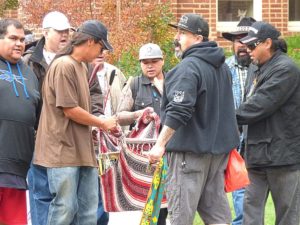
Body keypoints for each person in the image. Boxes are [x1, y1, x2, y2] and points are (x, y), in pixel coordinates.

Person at [148, 13, 240, 225]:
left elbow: (179, 110)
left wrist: (159, 145)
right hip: (216, 156)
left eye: (182, 33)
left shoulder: (188, 67)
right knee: (218, 216)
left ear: (198, 38)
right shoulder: (222, 67)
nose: (176, 38)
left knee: (180, 216)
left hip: (188, 156)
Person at [33, 20, 118, 225]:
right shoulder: (64, 65)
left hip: (82, 151)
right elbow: (69, 110)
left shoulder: (83, 67)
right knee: (65, 208)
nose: (101, 52)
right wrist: (102, 123)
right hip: (62, 151)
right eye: (100, 46)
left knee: (88, 211)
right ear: (90, 41)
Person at [236, 21, 300, 225]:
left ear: (268, 43)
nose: (248, 50)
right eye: (247, 45)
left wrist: (223, 118)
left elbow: (259, 105)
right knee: (250, 214)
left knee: (288, 216)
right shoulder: (258, 69)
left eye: (253, 45)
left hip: (282, 158)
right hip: (256, 155)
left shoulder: (286, 69)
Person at [23, 11, 71, 225]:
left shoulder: (75, 59)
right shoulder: (28, 62)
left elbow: (93, 92)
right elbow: (25, 100)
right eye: (59, 31)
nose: (64, 35)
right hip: (39, 137)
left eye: (67, 31)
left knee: (67, 196)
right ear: (45, 32)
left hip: (68, 138)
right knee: (41, 193)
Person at [117, 43, 168, 225]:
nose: (150, 66)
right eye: (145, 62)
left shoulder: (173, 82)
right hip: (144, 156)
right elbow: (119, 115)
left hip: (170, 151)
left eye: (154, 61)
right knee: (146, 203)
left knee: (167, 204)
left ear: (163, 61)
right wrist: (138, 114)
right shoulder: (134, 84)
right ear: (140, 64)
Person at [0, 19, 40, 225]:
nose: (19, 43)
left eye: (22, 39)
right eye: (13, 38)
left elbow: (40, 118)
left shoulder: (29, 73)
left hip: (17, 171)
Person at [221, 16, 256, 225]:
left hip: (260, 140)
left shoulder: (264, 69)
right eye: (237, 40)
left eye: (246, 39)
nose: (241, 45)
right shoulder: (224, 68)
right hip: (234, 141)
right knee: (240, 192)